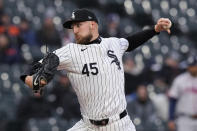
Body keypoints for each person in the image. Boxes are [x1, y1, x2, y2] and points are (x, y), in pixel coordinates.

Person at [20, 8, 171, 131]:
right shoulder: (69, 51)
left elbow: (131, 42)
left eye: (78, 25)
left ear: (92, 24)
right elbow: (32, 70)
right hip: (88, 125)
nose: (75, 30)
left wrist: (155, 29)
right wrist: (31, 80)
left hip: (119, 125)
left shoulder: (113, 43)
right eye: (73, 27)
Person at [168, 56, 197, 131]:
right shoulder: (179, 80)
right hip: (184, 119)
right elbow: (172, 100)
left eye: (194, 66)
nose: (191, 68)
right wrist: (171, 119)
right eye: (190, 66)